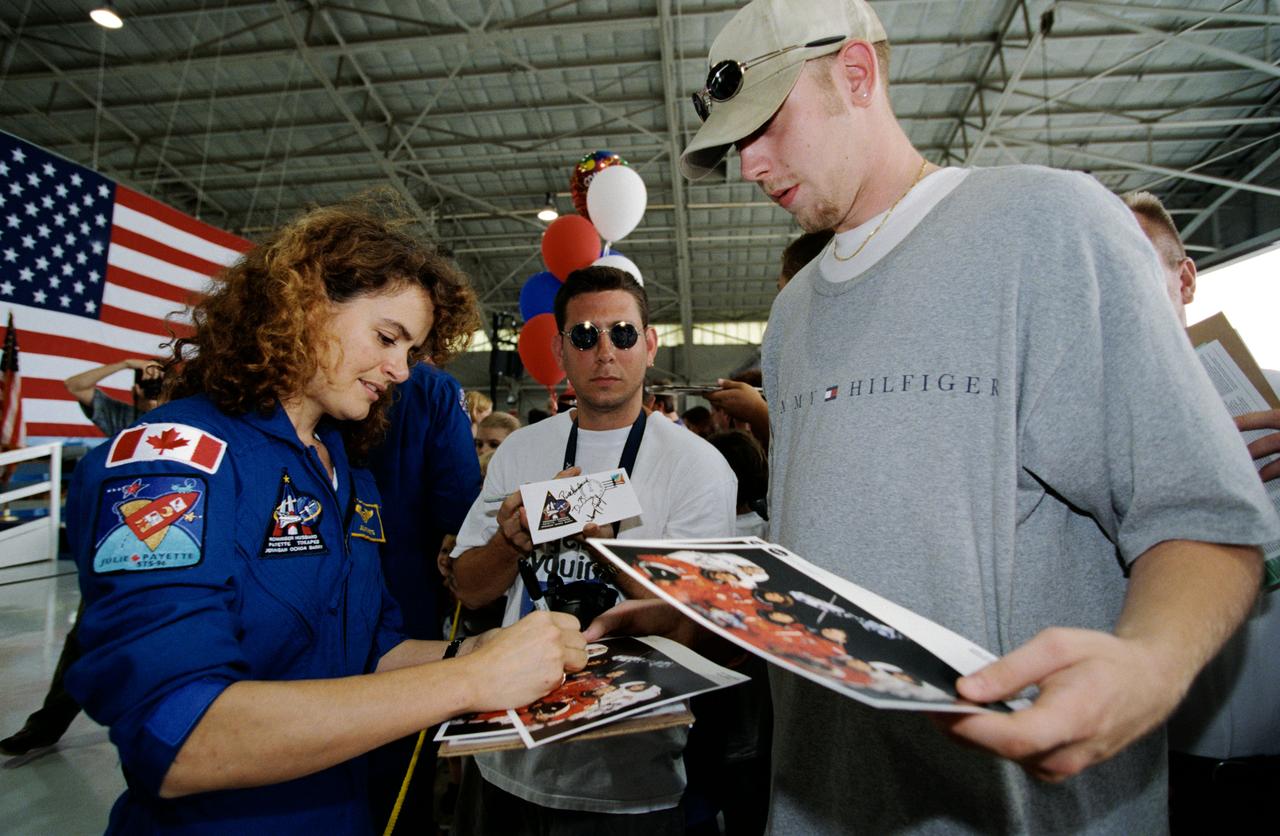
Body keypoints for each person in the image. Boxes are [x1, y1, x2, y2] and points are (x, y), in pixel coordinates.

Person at [592, 1, 1280, 833]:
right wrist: (713, 611)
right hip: (824, 801)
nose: (751, 165)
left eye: (768, 125)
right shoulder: (797, 315)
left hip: (1021, 806)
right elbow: (841, 547)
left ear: (856, 74)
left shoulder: (1053, 227)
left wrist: (1151, 663)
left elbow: (1202, 516)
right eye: (737, 142)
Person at [62, 199, 587, 833]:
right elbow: (179, 737)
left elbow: (369, 650)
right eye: (386, 337)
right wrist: (471, 680)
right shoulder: (170, 462)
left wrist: (476, 649)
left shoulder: (343, 469)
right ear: (304, 305)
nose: (398, 371)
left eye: (411, 351)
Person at [449, 265, 737, 834]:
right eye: (584, 336)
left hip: (632, 776)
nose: (605, 351)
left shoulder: (697, 465)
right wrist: (508, 544)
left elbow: (698, 629)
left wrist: (609, 551)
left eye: (623, 334)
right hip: (505, 757)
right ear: (559, 347)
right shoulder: (521, 451)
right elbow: (468, 586)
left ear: (650, 345)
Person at [1124, 190, 1280, 830]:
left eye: (1133, 269)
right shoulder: (1078, 441)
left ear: (1184, 278)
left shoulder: (1271, 400)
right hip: (1160, 773)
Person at [1, 363, 174, 758]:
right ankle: (45, 725)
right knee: (86, 632)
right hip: (121, 539)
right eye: (148, 381)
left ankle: (172, 727)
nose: (154, 386)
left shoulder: (188, 417)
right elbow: (74, 385)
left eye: (159, 380)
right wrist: (126, 365)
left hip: (175, 536)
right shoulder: (123, 418)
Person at [365, 358, 484, 833]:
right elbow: (458, 505)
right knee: (399, 780)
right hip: (404, 601)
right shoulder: (431, 388)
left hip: (342, 615)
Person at [64, 358, 165, 437]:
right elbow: (74, 386)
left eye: (160, 385)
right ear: (136, 389)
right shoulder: (119, 414)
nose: (155, 389)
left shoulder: (175, 412)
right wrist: (126, 364)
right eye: (149, 384)